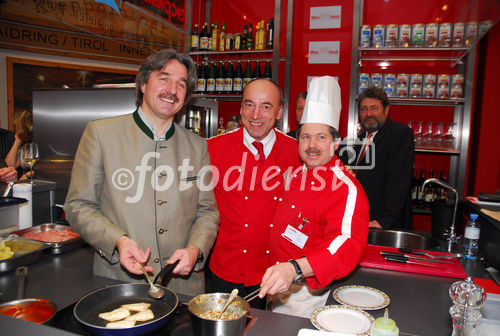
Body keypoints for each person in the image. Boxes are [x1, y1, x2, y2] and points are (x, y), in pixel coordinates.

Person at [64, 49, 219, 296]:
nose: (172, 90)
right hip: (119, 282)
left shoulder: (197, 146)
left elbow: (207, 211)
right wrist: (118, 240)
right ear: (144, 84)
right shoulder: (101, 134)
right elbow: (78, 205)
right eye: (164, 78)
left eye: (181, 84)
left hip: (183, 288)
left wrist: (195, 249)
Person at [257, 76, 369, 318]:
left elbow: (346, 245)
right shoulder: (295, 174)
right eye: (305, 137)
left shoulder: (346, 188)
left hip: (307, 294)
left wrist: (294, 268)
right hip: (278, 283)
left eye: (321, 137)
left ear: (336, 143)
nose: (311, 145)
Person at [206, 78, 300, 309]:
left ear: (279, 112)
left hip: (277, 273)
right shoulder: (211, 149)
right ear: (240, 109)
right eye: (249, 105)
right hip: (224, 270)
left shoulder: (297, 153)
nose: (256, 114)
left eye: (266, 107)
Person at [341, 87, 414, 229]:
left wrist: (385, 220)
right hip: (362, 218)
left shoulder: (400, 134)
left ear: (386, 110)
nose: (368, 114)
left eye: (374, 108)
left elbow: (399, 180)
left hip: (383, 223)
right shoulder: (360, 139)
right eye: (363, 109)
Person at [5, 110, 33, 179]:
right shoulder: (25, 146)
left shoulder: (42, 144)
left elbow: (49, 167)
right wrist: (17, 140)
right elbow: (10, 165)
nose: (15, 129)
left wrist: (28, 174)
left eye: (17, 126)